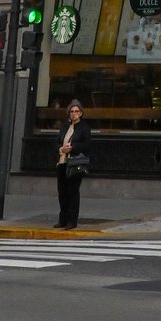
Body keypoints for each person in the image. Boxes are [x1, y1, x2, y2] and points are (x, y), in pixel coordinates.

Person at [56, 98, 92, 231]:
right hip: (62, 162)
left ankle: (72, 220)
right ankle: (62, 219)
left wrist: (72, 148)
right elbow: (57, 141)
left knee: (73, 192)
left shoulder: (84, 127)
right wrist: (61, 149)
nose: (74, 113)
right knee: (62, 192)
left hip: (75, 163)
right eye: (72, 111)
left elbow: (87, 144)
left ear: (81, 113)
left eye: (77, 111)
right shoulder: (65, 126)